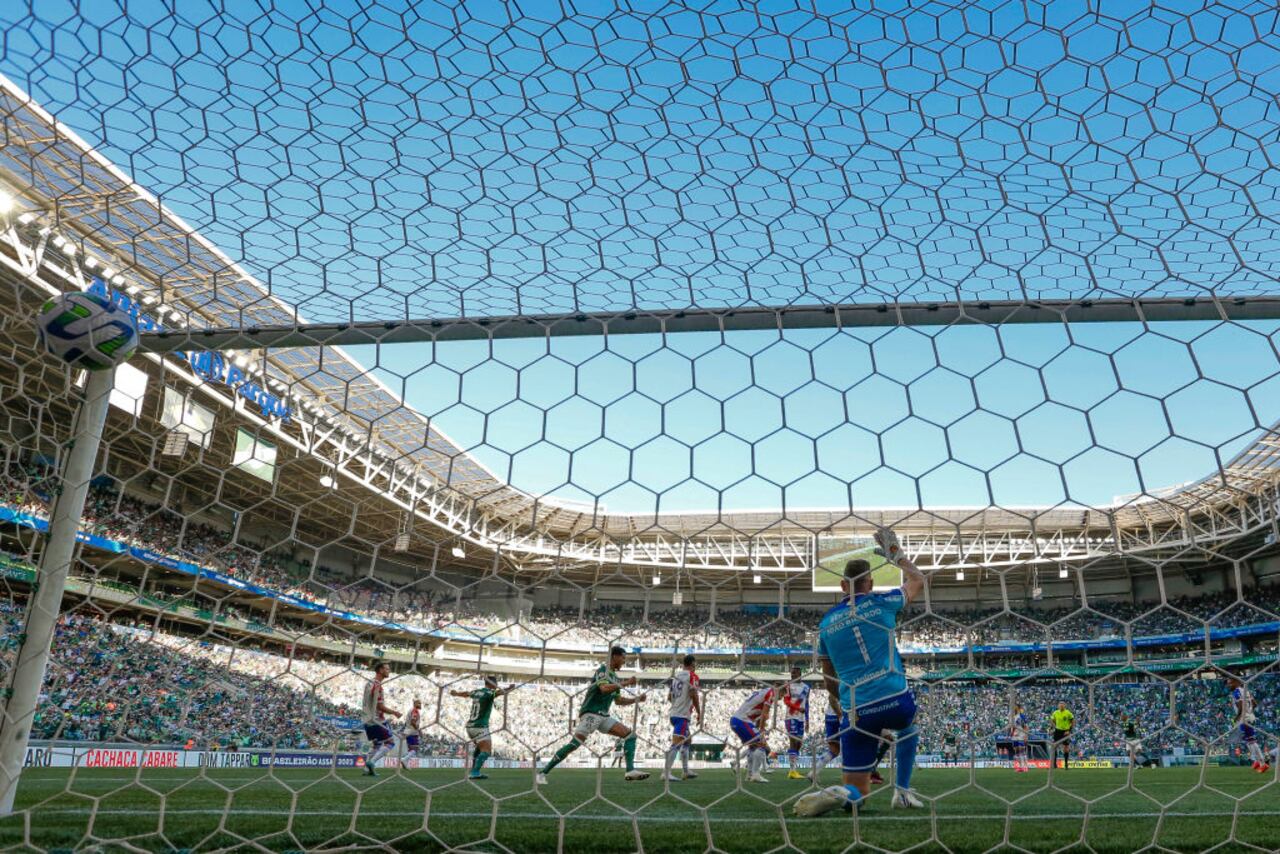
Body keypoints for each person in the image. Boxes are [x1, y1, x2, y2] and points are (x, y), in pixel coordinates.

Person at [794, 527, 927, 817]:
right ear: (871, 583)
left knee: (858, 794)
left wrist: (836, 701)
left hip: (856, 709)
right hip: (894, 697)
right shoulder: (883, 603)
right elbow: (918, 580)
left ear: (842, 586)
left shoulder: (827, 623)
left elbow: (827, 670)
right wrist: (898, 557)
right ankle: (902, 792)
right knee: (909, 727)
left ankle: (843, 793)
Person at [538, 646, 650, 783]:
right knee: (574, 744)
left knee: (630, 735)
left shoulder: (614, 677)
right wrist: (625, 683)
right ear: (614, 656)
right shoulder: (603, 671)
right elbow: (603, 689)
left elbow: (619, 701)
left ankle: (630, 770)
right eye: (623, 658)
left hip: (603, 716)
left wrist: (636, 699)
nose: (624, 661)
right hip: (591, 713)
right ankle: (542, 773)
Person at [449, 675, 516, 780]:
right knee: (486, 751)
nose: (497, 686)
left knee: (479, 749)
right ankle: (475, 772)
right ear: (492, 684)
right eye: (496, 683)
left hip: (470, 727)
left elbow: (466, 693)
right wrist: (510, 688)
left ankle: (474, 771)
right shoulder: (489, 693)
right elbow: (499, 693)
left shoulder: (476, 692)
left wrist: (456, 693)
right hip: (480, 727)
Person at [665, 654, 702, 781]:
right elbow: (694, 695)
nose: (695, 667)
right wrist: (699, 713)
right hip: (682, 716)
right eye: (695, 664)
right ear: (692, 664)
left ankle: (686, 771)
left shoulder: (676, 677)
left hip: (674, 714)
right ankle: (666, 773)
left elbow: (669, 697)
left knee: (687, 740)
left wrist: (678, 704)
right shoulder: (692, 676)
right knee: (676, 744)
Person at [730, 684, 776, 783]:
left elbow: (759, 718)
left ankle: (749, 775)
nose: (781, 698)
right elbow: (763, 715)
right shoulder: (771, 693)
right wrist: (762, 731)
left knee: (753, 747)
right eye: (783, 694)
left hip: (736, 720)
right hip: (742, 720)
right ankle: (755, 774)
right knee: (761, 744)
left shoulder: (762, 693)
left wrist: (760, 727)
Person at [360, 662, 400, 776]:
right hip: (376, 720)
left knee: (377, 745)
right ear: (380, 670)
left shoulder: (369, 683)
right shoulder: (377, 686)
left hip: (366, 720)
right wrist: (394, 712)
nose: (389, 671)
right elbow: (380, 706)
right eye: (387, 669)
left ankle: (366, 770)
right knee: (390, 742)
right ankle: (372, 762)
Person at [1228, 676, 1270, 773]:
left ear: (1236, 682)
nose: (1229, 685)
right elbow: (1254, 703)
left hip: (1244, 718)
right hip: (1250, 717)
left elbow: (1241, 705)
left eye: (1230, 683)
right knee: (1248, 740)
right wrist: (1250, 712)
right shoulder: (1246, 690)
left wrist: (1237, 717)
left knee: (1251, 741)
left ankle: (1263, 763)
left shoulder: (1236, 692)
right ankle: (1256, 761)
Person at [782, 665, 811, 780]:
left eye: (794, 673)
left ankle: (793, 769)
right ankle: (792, 771)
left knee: (799, 744)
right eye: (791, 673)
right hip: (791, 717)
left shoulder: (806, 688)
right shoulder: (788, 686)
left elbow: (807, 704)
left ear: (800, 674)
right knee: (793, 741)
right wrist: (798, 709)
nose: (792, 675)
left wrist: (808, 720)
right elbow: (786, 701)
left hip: (801, 718)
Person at [1050, 702, 1074, 769]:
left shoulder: (1068, 713)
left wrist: (1069, 730)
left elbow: (1072, 721)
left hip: (1065, 731)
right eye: (1060, 705)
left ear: (1065, 706)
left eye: (1062, 705)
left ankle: (1066, 764)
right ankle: (1054, 764)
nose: (1061, 706)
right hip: (1057, 731)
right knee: (1054, 746)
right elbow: (1052, 720)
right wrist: (1052, 728)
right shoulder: (1055, 712)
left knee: (1066, 747)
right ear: (1058, 706)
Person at [403, 697, 423, 763]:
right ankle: (404, 760)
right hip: (412, 732)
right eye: (419, 703)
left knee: (410, 749)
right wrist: (419, 730)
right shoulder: (415, 711)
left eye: (420, 703)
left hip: (408, 731)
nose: (420, 705)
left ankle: (405, 763)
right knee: (415, 749)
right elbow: (413, 722)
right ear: (415, 704)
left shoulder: (411, 710)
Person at [1010, 704, 1029, 773]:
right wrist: (1011, 734)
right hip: (1015, 735)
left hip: (1021, 735)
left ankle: (1026, 767)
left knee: (1022, 750)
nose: (1014, 709)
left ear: (1018, 708)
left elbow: (1026, 726)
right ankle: (1021, 767)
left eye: (1015, 707)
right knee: (1016, 751)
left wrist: (1026, 736)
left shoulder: (1021, 716)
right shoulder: (1012, 717)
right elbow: (1012, 727)